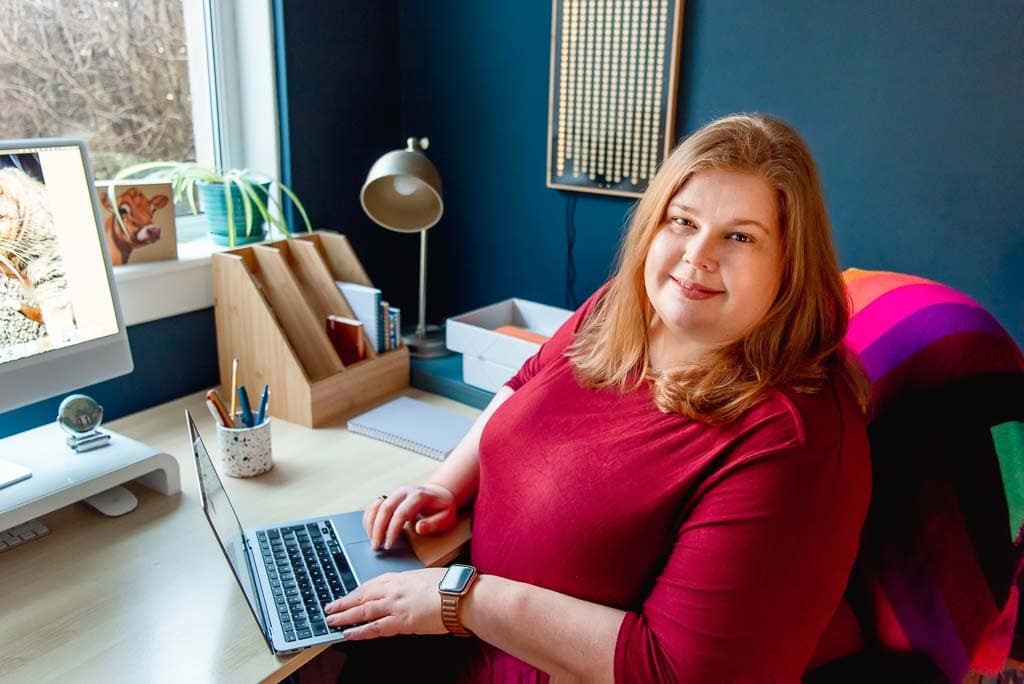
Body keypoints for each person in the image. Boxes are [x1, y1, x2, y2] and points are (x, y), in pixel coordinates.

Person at [323, 114, 872, 681]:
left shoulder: (791, 440)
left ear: (790, 263)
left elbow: (678, 672)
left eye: (740, 236)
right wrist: (446, 483)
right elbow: (523, 383)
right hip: (470, 644)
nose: (698, 256)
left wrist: (459, 598)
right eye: (682, 221)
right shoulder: (625, 306)